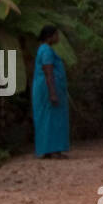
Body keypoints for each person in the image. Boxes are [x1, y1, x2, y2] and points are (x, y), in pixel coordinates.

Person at [32, 25, 70, 159]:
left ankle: (48, 149)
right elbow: (48, 72)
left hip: (44, 88)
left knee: (47, 118)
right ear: (50, 37)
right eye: (56, 35)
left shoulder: (43, 49)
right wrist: (52, 93)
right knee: (52, 118)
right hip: (47, 89)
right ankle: (53, 149)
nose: (58, 38)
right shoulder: (46, 51)